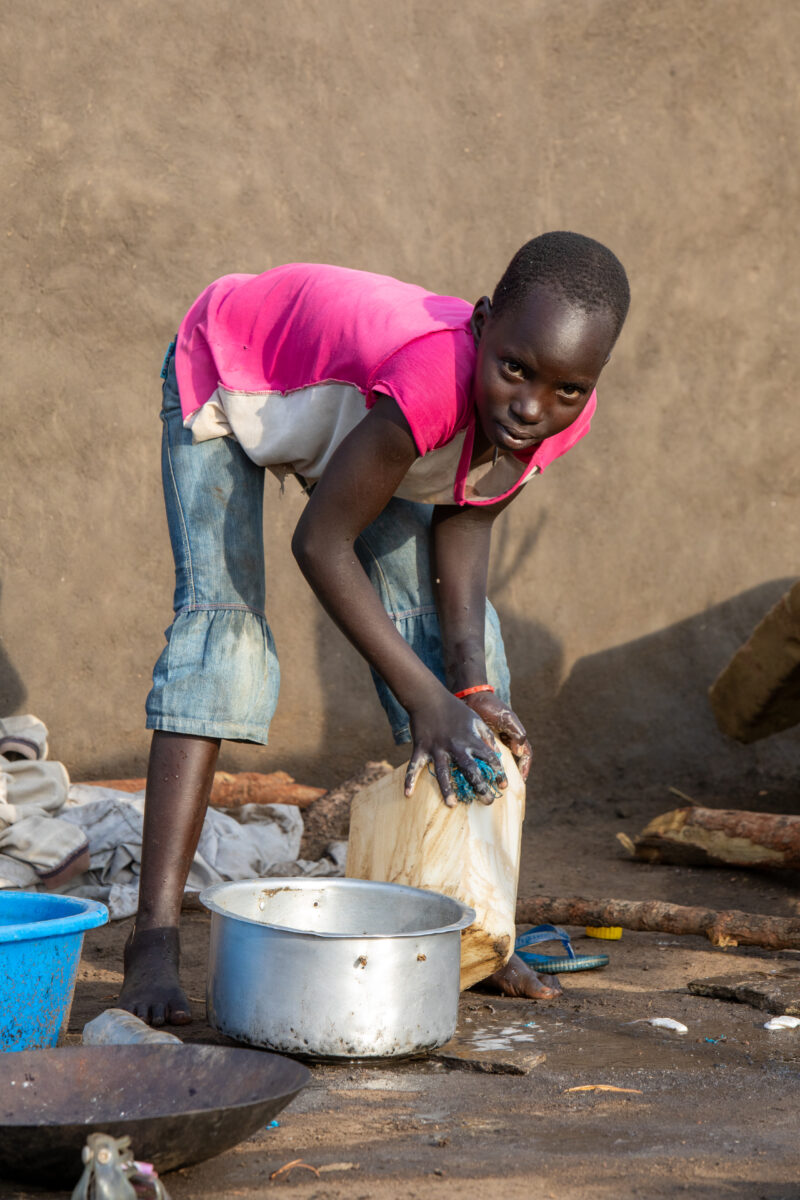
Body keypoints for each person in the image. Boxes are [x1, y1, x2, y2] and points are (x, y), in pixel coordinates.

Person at [119, 231, 630, 1025]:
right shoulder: (434, 380)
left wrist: (467, 686)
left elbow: (469, 515)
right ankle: (150, 942)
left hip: (358, 424)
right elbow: (320, 543)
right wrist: (427, 700)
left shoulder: (559, 412)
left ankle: (477, 929)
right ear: (484, 325)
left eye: (566, 388)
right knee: (223, 644)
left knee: (473, 674)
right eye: (516, 370)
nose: (532, 406)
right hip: (235, 372)